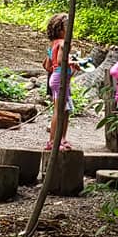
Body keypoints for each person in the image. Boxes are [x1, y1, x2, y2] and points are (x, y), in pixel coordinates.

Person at [45, 13, 77, 151]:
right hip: (60, 80)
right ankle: (53, 141)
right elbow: (60, 61)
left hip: (58, 78)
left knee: (66, 110)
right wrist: (74, 62)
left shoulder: (53, 44)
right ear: (61, 29)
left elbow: (47, 66)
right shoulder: (64, 44)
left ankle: (62, 139)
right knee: (59, 111)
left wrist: (72, 67)